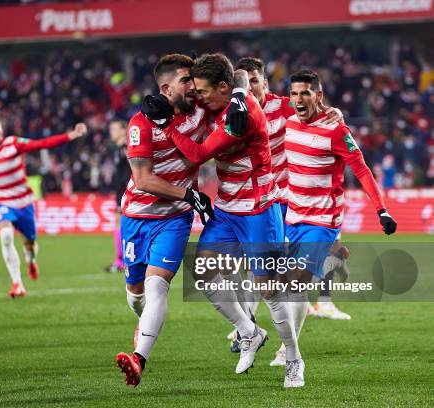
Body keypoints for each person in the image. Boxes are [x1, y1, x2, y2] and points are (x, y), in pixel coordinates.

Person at [151, 53, 303, 387]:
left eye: (204, 91)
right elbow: (236, 79)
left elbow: (197, 154)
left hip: (259, 208)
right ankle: (250, 332)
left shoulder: (242, 115)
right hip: (228, 208)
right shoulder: (223, 100)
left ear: (221, 87)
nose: (199, 98)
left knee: (269, 290)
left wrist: (167, 126)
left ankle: (293, 358)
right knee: (204, 273)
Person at [283, 69, 397, 385]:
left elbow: (361, 170)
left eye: (305, 93)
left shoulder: (335, 130)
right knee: (280, 289)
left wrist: (382, 210)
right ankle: (332, 262)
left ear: (319, 95)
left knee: (296, 284)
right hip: (291, 217)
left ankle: (293, 360)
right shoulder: (289, 122)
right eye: (294, 93)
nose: (298, 99)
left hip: (322, 221)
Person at [234, 57, 349, 367]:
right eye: (246, 82)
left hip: (289, 200)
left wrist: (333, 114)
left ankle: (288, 344)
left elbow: (313, 109)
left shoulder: (284, 105)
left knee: (291, 278)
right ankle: (248, 326)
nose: (251, 87)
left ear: (265, 83)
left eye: (256, 80)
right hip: (257, 199)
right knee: (258, 266)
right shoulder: (235, 110)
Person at [115, 54, 215, 387]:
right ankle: (143, 324)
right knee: (136, 293)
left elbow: (233, 88)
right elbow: (142, 179)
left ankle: (139, 358)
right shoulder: (139, 124)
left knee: (158, 286)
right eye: (187, 81)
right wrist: (188, 193)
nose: (194, 87)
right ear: (166, 88)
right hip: (137, 215)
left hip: (174, 219)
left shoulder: (201, 111)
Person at [0, 113, 87, 297]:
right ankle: (17, 284)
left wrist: (70, 135)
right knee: (5, 235)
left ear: (2, 129)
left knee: (30, 244)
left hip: (24, 202)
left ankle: (31, 260)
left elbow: (41, 144)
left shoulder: (13, 144)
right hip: (1, 201)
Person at [104, 119, 130, 274]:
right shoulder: (118, 149)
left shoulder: (126, 148)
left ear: (123, 130)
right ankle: (121, 260)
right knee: (120, 223)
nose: (111, 132)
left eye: (114, 129)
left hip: (127, 192)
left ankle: (123, 260)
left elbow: (135, 168)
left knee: (124, 224)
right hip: (120, 192)